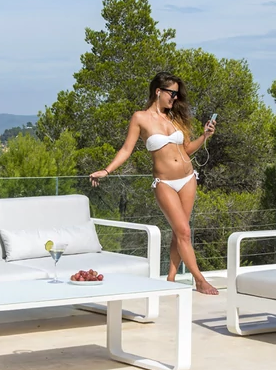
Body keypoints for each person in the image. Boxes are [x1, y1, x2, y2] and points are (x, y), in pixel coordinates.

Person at [90, 72, 219, 295]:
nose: (175, 98)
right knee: (184, 231)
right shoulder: (140, 118)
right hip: (165, 182)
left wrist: (205, 136)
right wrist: (107, 170)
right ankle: (199, 280)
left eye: (177, 95)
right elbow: (126, 149)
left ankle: (170, 279)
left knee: (180, 232)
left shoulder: (175, 117)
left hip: (188, 178)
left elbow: (187, 149)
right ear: (158, 91)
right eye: (172, 93)